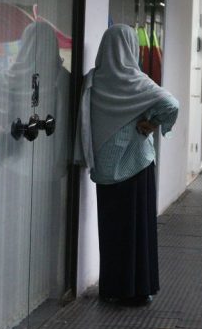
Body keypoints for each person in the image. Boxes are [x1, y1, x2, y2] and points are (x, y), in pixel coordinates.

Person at [76, 24, 179, 306]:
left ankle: (112, 287)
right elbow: (171, 104)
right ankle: (137, 289)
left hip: (106, 169)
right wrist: (152, 124)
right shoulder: (137, 81)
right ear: (131, 48)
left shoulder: (93, 80)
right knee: (138, 228)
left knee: (112, 229)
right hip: (136, 164)